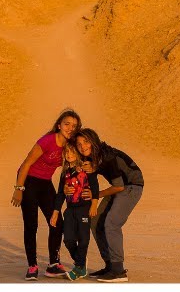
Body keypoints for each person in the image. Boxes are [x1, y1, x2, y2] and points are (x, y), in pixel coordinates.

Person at [11, 109, 81, 280]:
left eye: (74, 126)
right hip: (29, 181)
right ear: (59, 125)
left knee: (57, 222)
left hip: (45, 183)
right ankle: (32, 265)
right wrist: (19, 189)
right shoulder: (47, 141)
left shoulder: (71, 146)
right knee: (31, 224)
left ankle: (53, 264)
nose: (70, 128)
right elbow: (26, 163)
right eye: (67, 124)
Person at [73, 128, 143, 282]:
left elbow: (119, 186)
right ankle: (110, 265)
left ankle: (118, 271)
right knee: (96, 222)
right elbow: (90, 180)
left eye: (86, 141)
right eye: (78, 144)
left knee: (111, 223)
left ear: (94, 141)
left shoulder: (107, 156)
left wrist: (97, 195)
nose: (82, 146)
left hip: (131, 186)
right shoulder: (91, 158)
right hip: (119, 187)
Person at [50, 143, 99, 281]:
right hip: (70, 210)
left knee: (83, 239)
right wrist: (55, 212)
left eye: (72, 151)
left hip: (84, 208)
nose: (69, 154)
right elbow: (60, 193)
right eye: (66, 152)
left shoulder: (86, 167)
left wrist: (94, 205)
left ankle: (79, 268)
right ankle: (80, 262)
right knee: (68, 240)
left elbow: (95, 186)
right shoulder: (65, 172)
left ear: (78, 153)